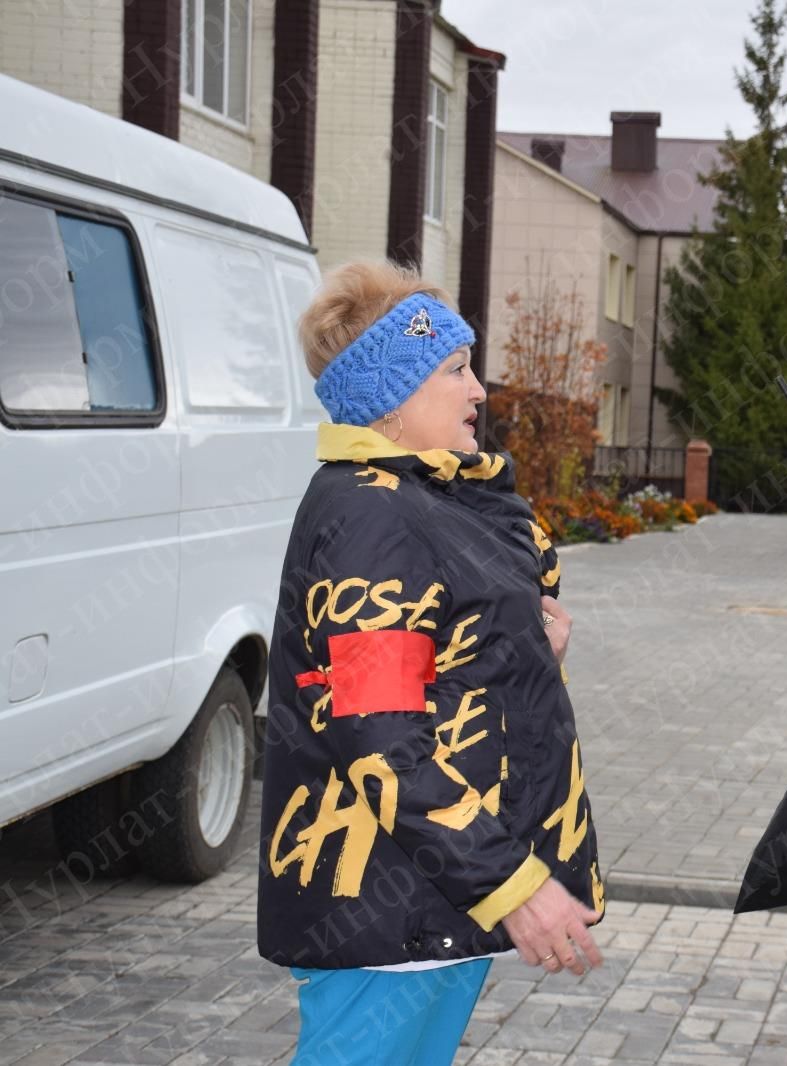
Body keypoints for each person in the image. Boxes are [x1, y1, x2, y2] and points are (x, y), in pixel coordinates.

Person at [258, 261, 604, 1065]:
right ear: (391, 395)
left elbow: (434, 667)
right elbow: (377, 736)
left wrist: (530, 658)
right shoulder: (370, 517)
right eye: (455, 370)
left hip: (430, 902)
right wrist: (512, 886)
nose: (479, 390)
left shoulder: (420, 498)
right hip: (385, 908)